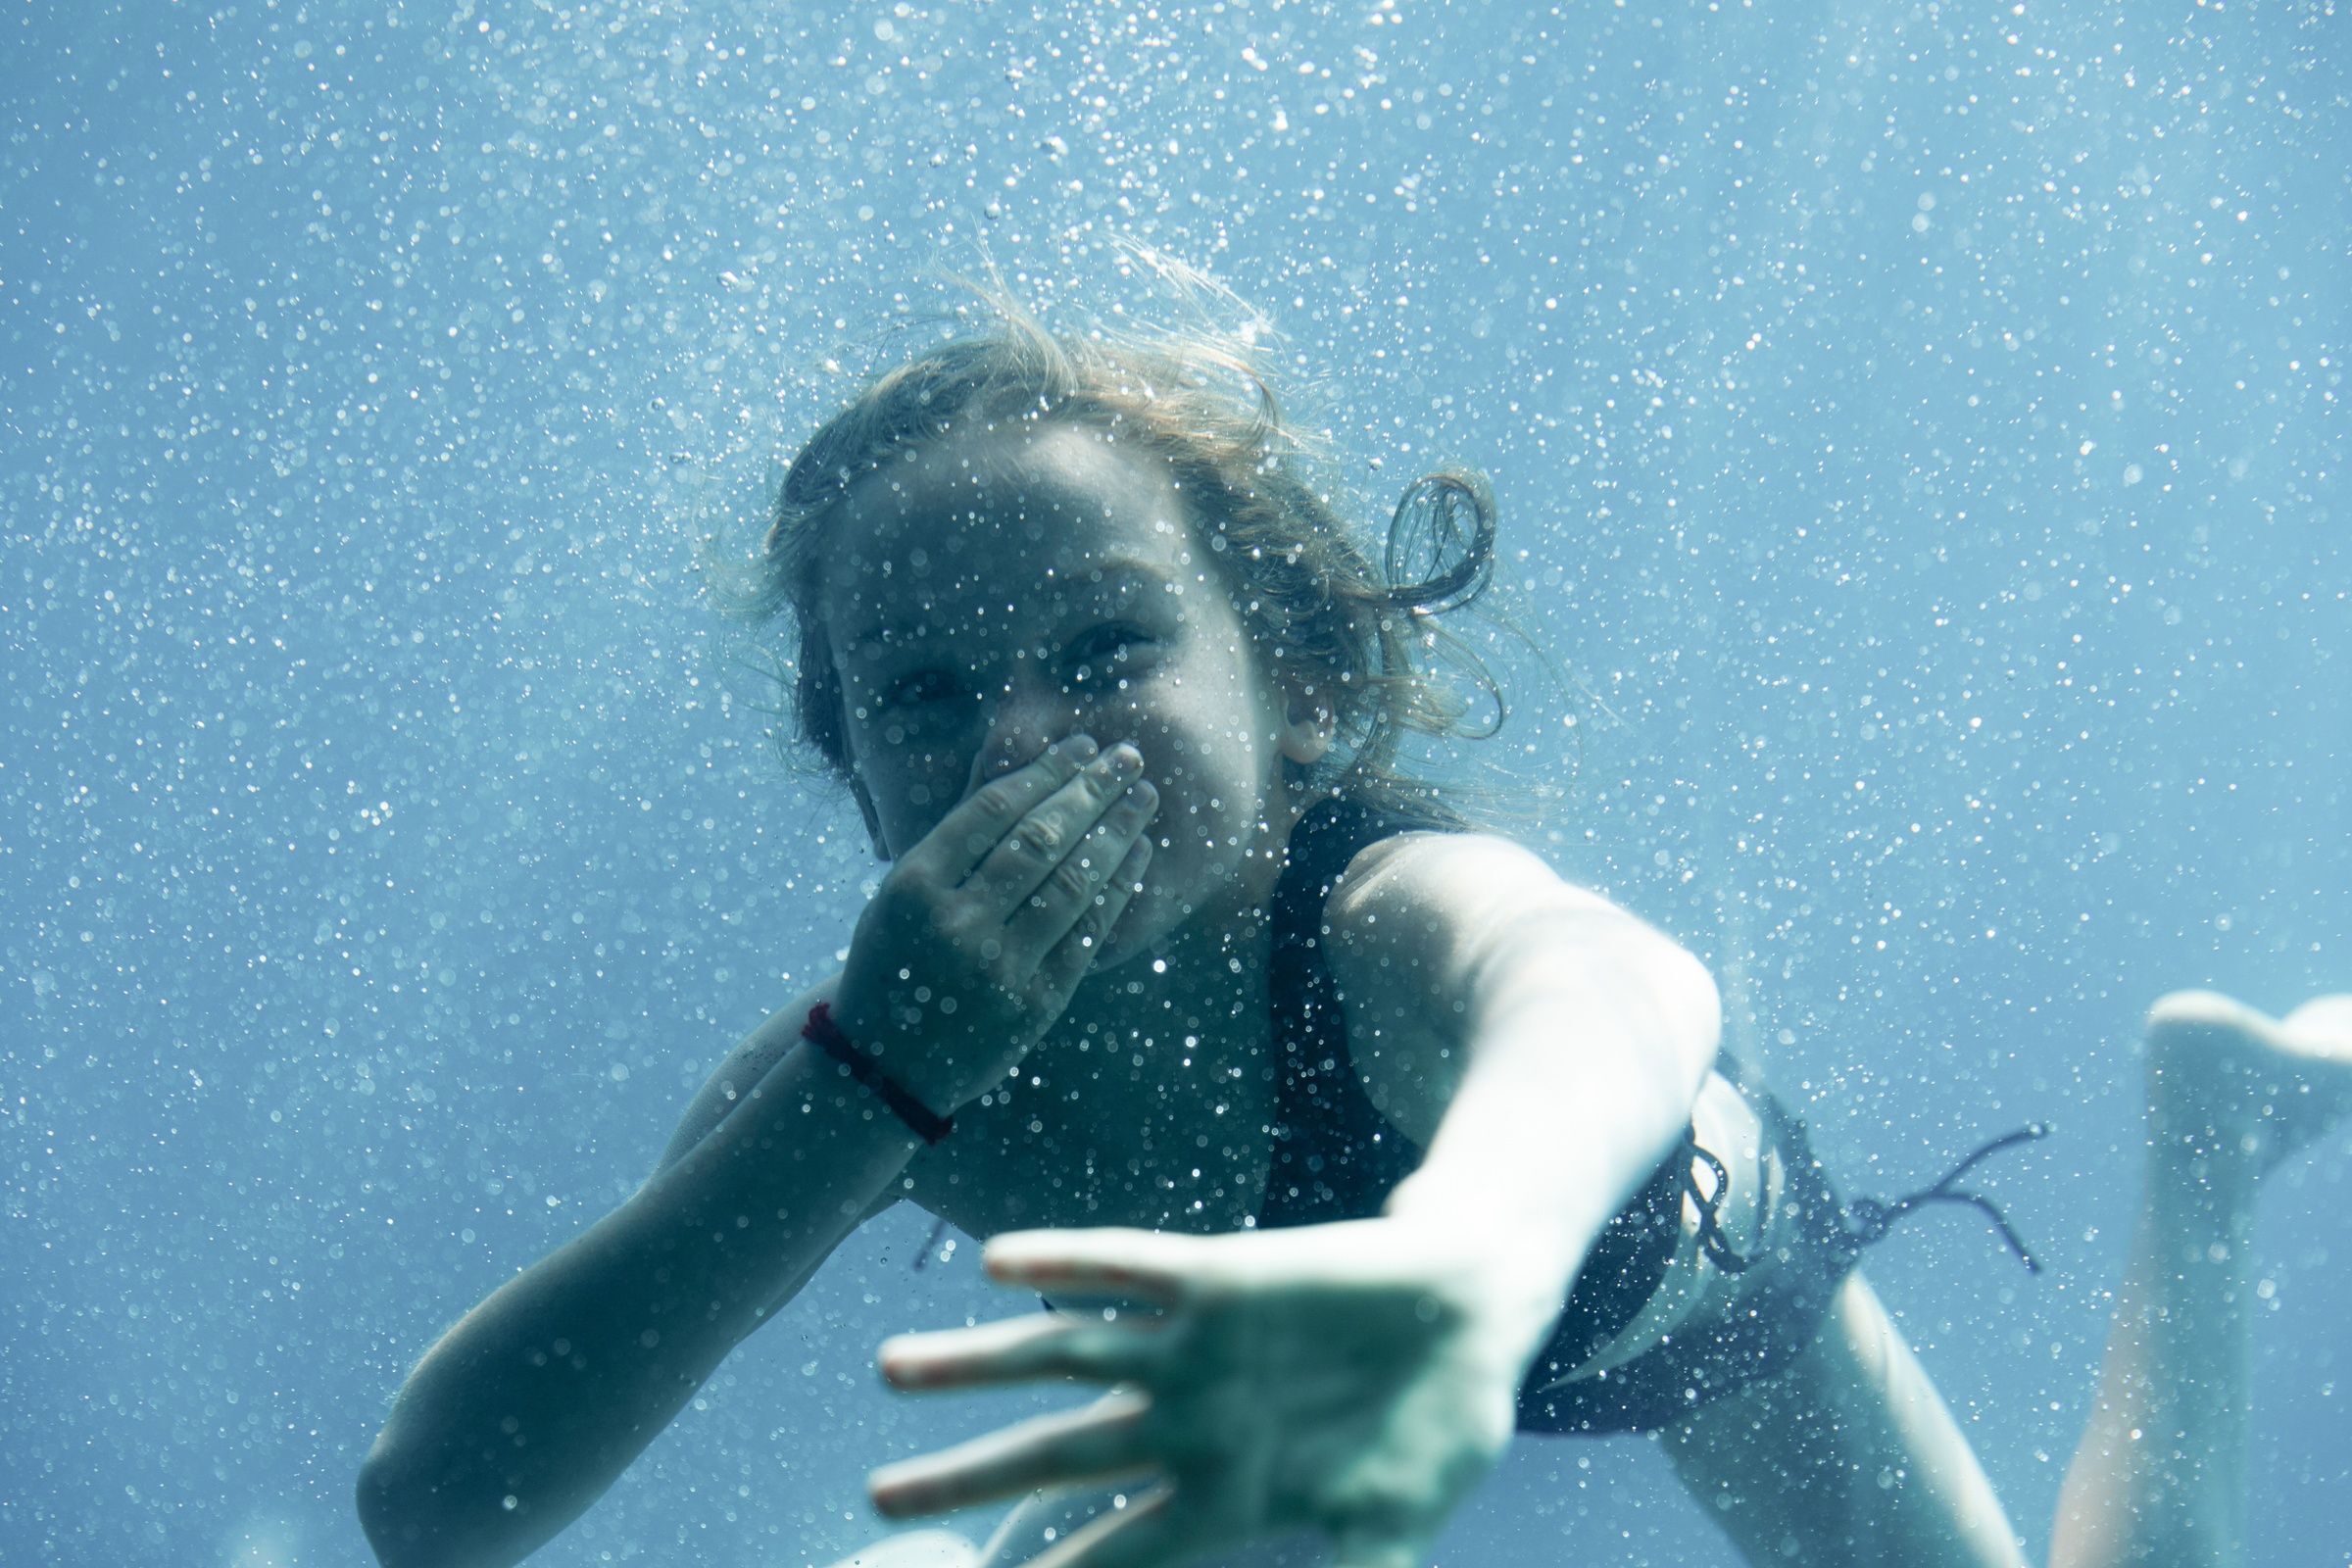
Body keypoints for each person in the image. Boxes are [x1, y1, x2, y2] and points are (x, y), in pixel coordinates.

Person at [354, 274, 2352, 1568]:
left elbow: (1619, 990)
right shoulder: (871, 1067)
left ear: (1296, 686)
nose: (1021, 738)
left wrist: (1463, 1268)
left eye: (1105, 644)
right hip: (1293, 1402)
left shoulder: (1373, 909)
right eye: (926, 697)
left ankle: (2204, 1145)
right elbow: (435, 1503)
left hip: (1637, 1281)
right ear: (855, 770)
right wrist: (859, 1093)